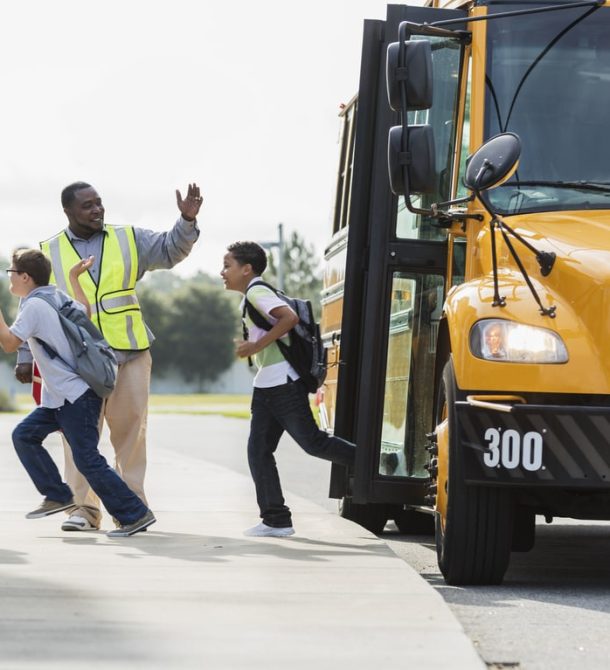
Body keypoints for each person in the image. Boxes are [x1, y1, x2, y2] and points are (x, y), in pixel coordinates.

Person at [14, 181, 203, 532]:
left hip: (128, 354)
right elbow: (33, 305)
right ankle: (83, 510)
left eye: (99, 203)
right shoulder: (48, 251)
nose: (97, 210)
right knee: (76, 438)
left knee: (131, 434)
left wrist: (186, 220)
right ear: (68, 211)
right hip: (76, 365)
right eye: (87, 205)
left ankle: (130, 508)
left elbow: (169, 249)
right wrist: (25, 354)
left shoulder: (128, 238)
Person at [0, 249, 155, 537]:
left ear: (25, 276)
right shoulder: (55, 295)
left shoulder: (33, 306)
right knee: (24, 435)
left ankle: (135, 514)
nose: (9, 276)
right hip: (61, 398)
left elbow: (9, 343)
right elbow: (85, 309)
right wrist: (73, 278)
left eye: (11, 271)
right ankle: (58, 494)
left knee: (87, 458)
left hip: (76, 397)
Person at [221, 241, 356, 537]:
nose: (223, 272)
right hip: (268, 384)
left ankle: (371, 463)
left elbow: (289, 318)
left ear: (247, 269)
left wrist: (256, 345)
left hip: (282, 383)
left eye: (227, 265)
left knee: (313, 443)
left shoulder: (257, 292)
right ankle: (276, 520)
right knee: (258, 451)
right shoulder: (252, 294)